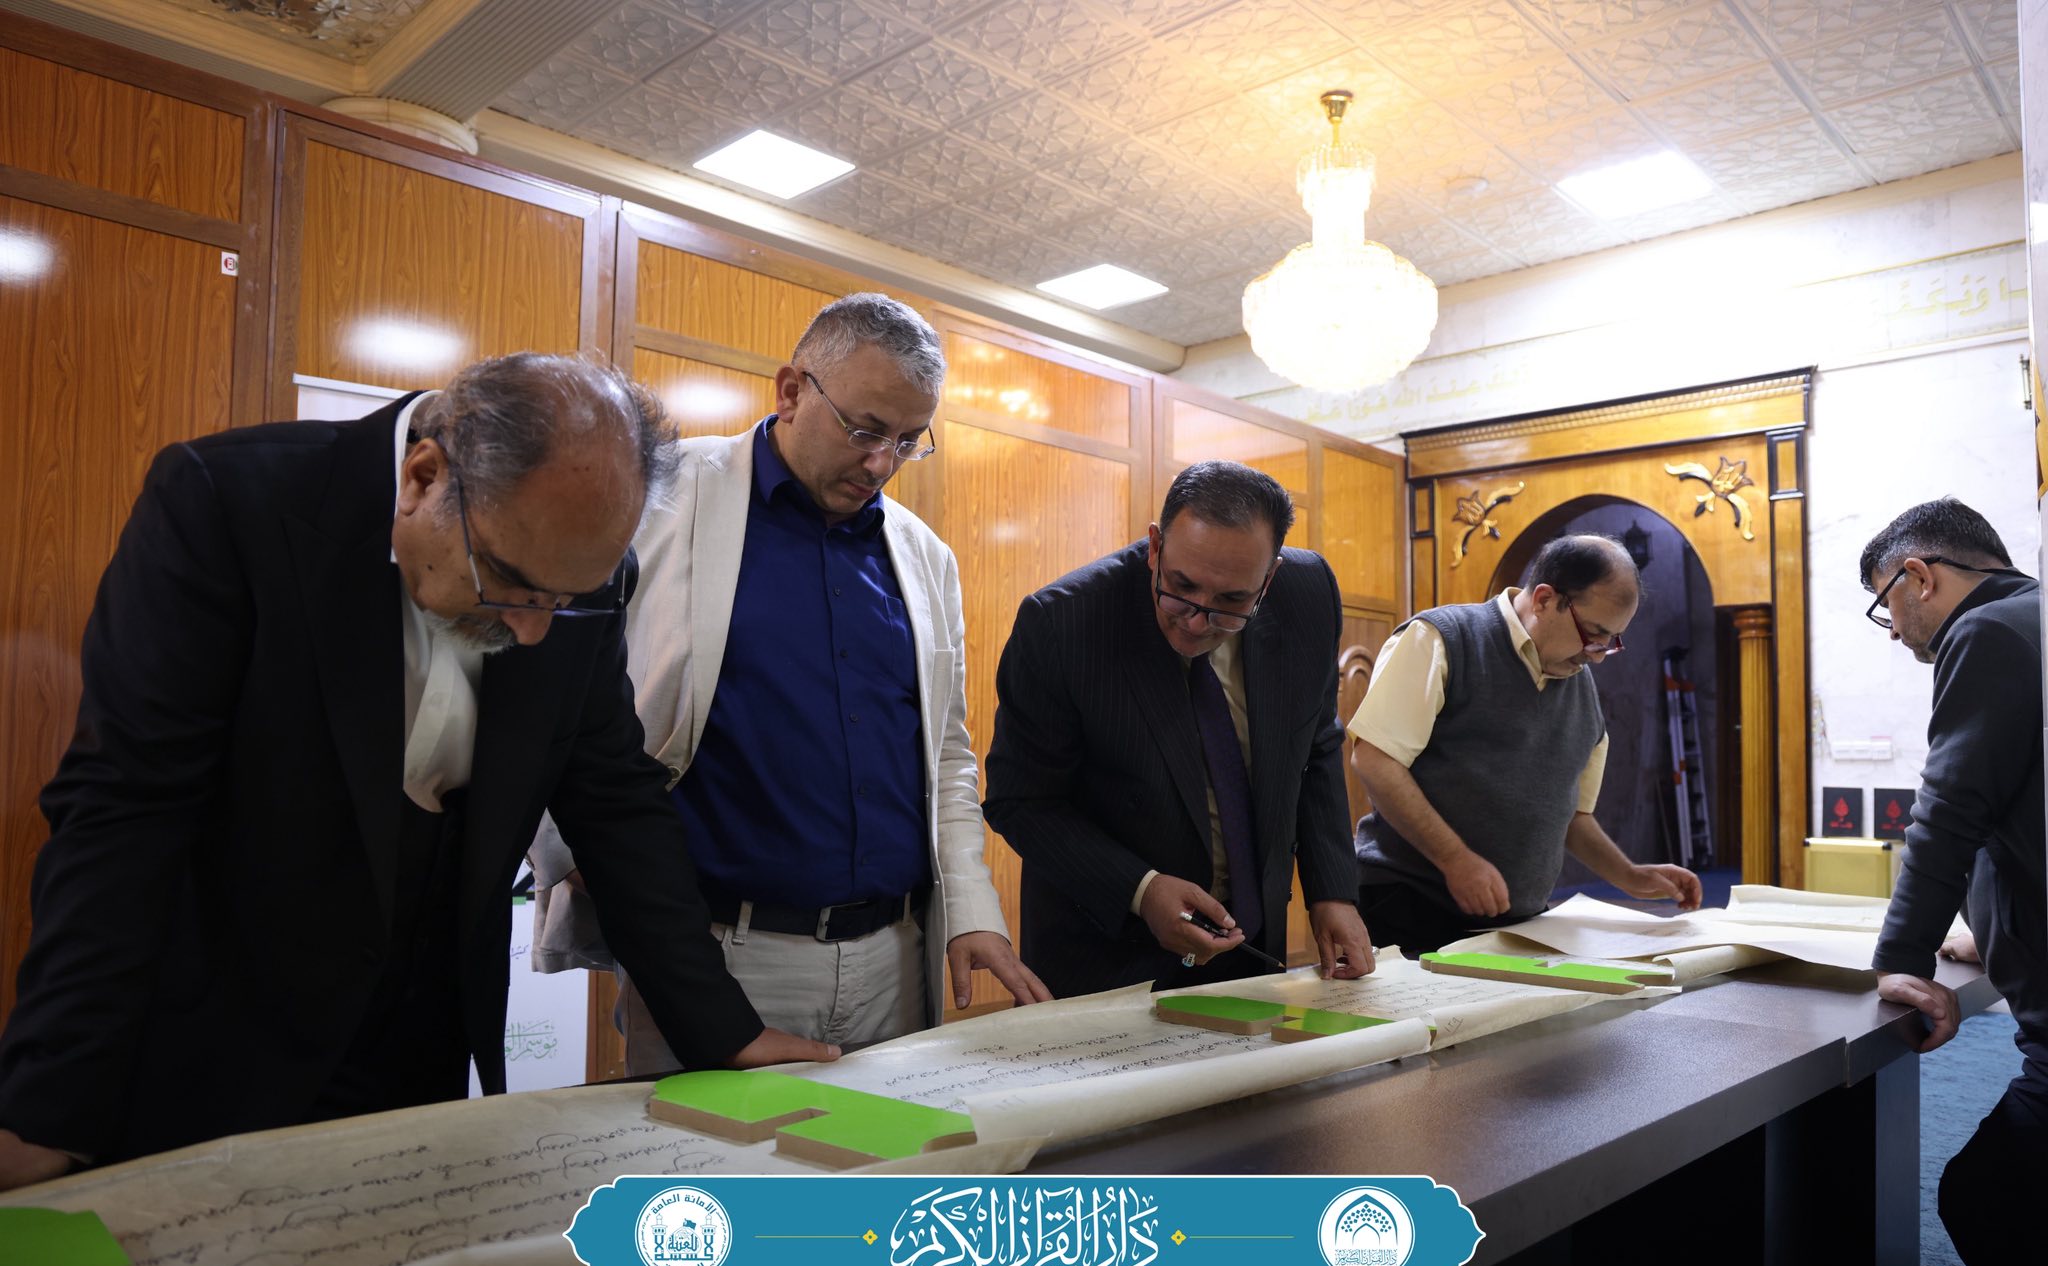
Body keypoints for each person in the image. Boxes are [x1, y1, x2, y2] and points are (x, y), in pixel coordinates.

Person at [0, 352, 830, 1191]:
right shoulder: (229, 501)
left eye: (565, 601)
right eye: (511, 585)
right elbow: (126, 813)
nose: (535, 632)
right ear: (423, 477)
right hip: (217, 1027)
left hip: (420, 1040)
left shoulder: (575, 570)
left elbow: (615, 801)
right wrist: (48, 1104)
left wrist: (722, 1031)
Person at [532, 295, 1045, 1067]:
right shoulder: (659, 496)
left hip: (896, 956)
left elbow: (945, 752)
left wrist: (972, 910)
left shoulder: (925, 557)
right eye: (866, 430)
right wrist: (573, 854)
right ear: (792, 390)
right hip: (719, 954)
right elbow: (558, 696)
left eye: (909, 442)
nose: (882, 464)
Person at [982, 460, 1373, 998]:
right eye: (1181, 587)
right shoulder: (1064, 622)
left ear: (1270, 577)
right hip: (1108, 960)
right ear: (1155, 546)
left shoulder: (1309, 594)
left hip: (1252, 948)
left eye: (1231, 602)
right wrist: (1141, 890)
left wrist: (1333, 891)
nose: (1196, 621)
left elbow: (1316, 745)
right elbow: (1021, 801)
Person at [1859, 498, 2044, 1266]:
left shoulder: (1987, 631)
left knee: (1989, 1198)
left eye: (1884, 606)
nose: (1894, 631)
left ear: (1918, 576)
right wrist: (1990, 931)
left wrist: (1899, 958)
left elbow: (1952, 809)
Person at [1349, 534, 1702, 955]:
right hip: (1408, 907)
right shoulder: (1442, 639)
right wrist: (1454, 858)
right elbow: (1375, 759)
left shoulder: (1581, 686)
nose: (1598, 655)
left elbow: (1572, 816)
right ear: (1544, 599)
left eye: (1613, 640)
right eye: (1594, 633)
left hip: (1518, 923)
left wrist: (1628, 874)